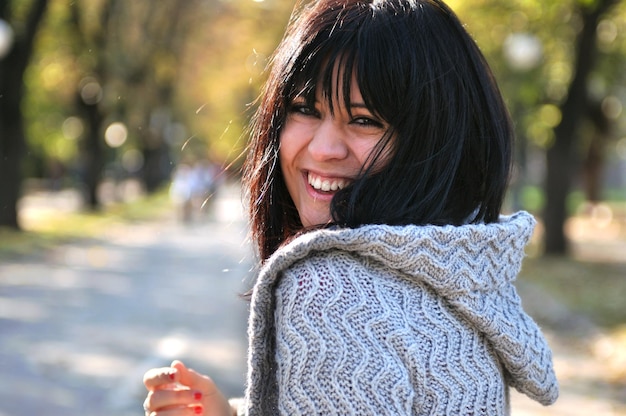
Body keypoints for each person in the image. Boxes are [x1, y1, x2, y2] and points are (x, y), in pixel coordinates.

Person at [142, 0, 559, 414]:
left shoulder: (329, 291)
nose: (322, 150)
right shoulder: (459, 274)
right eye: (305, 109)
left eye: (363, 120)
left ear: (432, 140)